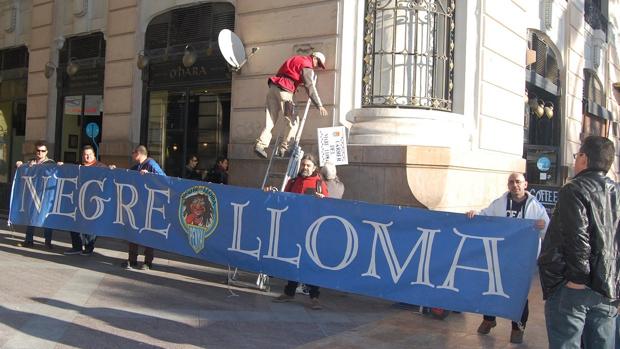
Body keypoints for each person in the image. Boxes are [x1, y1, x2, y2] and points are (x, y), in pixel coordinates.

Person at [538, 135, 620, 349]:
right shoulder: (617, 192)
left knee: (566, 342)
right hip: (608, 287)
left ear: (584, 157)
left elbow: (577, 236)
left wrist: (578, 278)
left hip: (575, 288)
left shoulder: (574, 188)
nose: (575, 160)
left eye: (576, 155)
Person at [466, 172, 549, 344]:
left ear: (525, 184)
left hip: (522, 260)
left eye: (518, 182)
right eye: (511, 182)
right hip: (500, 255)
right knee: (491, 287)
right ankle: (489, 318)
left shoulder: (536, 207)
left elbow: (547, 230)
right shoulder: (500, 203)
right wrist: (475, 214)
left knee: (519, 294)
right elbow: (485, 215)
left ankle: (518, 327)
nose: (514, 185)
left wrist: (542, 225)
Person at [271, 154, 328, 310]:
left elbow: (328, 207)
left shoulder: (319, 183)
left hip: (311, 230)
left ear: (314, 167)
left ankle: (314, 297)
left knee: (309, 264)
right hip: (294, 229)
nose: (305, 167)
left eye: (308, 165)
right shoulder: (293, 182)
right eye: (303, 164)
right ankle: (289, 292)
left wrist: (323, 199)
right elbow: (283, 200)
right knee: (293, 261)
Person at [253, 52, 328, 158]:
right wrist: (319, 105)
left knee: (270, 120)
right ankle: (284, 148)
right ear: (314, 58)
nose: (317, 66)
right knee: (293, 121)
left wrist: (296, 82)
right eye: (318, 63)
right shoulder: (307, 65)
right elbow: (310, 86)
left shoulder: (296, 58)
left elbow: (284, 72)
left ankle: (260, 145)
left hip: (273, 89)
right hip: (285, 92)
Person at [121, 145, 166, 270]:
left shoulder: (151, 163)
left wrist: (150, 174)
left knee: (148, 232)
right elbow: (125, 175)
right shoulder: (136, 167)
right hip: (137, 203)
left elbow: (164, 178)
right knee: (133, 230)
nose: (131, 154)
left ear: (139, 153)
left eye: (133, 152)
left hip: (150, 205)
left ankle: (147, 261)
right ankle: (132, 259)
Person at [63, 145, 108, 256]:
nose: (87, 157)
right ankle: (76, 247)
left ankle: (88, 247)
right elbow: (66, 173)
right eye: (85, 155)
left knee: (90, 225)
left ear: (94, 155)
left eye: (89, 155)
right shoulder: (77, 165)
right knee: (73, 222)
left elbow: (109, 178)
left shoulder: (101, 166)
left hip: (93, 201)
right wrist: (61, 166)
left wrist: (111, 169)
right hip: (77, 199)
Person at [16, 141, 55, 249]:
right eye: (38, 150)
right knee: (31, 217)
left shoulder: (50, 162)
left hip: (45, 194)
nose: (40, 153)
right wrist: (21, 165)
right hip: (32, 193)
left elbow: (54, 173)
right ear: (35, 151)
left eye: (43, 151)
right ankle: (29, 240)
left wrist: (59, 166)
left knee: (46, 218)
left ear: (46, 152)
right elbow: (23, 172)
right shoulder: (30, 162)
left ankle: (48, 242)